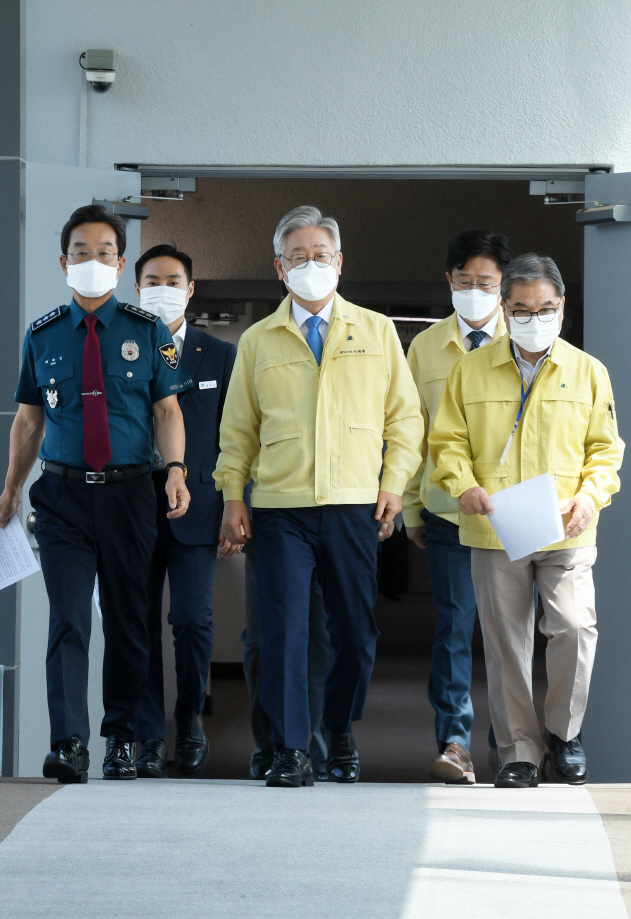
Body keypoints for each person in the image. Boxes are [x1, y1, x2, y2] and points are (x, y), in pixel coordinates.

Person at [214, 205, 423, 787]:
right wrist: (234, 496)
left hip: (355, 504)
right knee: (282, 631)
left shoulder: (377, 330)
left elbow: (405, 421)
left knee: (354, 632)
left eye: (321, 255)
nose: (311, 265)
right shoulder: (258, 339)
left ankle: (339, 729)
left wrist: (393, 484)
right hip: (279, 508)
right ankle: (289, 748)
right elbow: (237, 431)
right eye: (298, 257)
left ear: (340, 263)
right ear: (280, 268)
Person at [0, 204, 193, 783]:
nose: (93, 261)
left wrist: (177, 470)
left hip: (130, 494)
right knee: (67, 621)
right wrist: (10, 489)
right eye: (81, 252)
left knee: (129, 619)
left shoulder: (149, 331)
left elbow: (167, 410)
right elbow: (28, 422)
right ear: (64, 262)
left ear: (120, 261)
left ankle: (122, 739)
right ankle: (69, 743)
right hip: (60, 498)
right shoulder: (42, 335)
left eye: (104, 252)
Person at [429, 253, 623, 788]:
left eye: (545, 309)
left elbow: (605, 451)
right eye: (521, 309)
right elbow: (447, 441)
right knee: (506, 642)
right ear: (504, 308)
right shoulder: (470, 369)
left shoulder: (587, 371)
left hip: (568, 526)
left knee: (574, 627)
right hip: (496, 528)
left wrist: (590, 497)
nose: (533, 318)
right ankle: (519, 752)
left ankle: (563, 733)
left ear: (561, 309)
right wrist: (462, 484)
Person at [403, 230, 511, 784]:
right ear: (449, 280)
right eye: (465, 281)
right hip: (448, 512)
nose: (474, 291)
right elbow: (416, 433)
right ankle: (456, 743)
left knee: (508, 632)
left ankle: (511, 744)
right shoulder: (424, 347)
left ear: (503, 287)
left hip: (513, 515)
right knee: (453, 628)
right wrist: (413, 508)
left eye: (486, 283)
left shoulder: (525, 337)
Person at [131, 244, 238, 779]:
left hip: (198, 508)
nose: (163, 288)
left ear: (191, 290)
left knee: (192, 620)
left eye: (173, 280)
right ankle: (149, 734)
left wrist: (232, 505)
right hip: (130, 505)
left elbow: (234, 436)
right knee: (140, 622)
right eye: (152, 280)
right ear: (136, 288)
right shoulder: (119, 346)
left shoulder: (218, 355)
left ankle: (190, 715)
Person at [243, 536, 333, 780]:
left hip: (338, 519)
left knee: (322, 644)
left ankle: (321, 743)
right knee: (262, 642)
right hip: (265, 520)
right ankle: (270, 744)